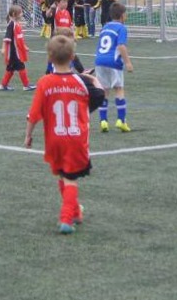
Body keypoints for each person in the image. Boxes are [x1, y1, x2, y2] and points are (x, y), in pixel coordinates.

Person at [24, 35, 106, 234]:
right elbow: (100, 95)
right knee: (70, 178)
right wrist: (94, 78)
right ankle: (66, 218)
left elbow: (34, 114)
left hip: (54, 139)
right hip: (76, 139)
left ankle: (76, 211)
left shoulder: (45, 82)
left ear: (49, 58)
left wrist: (28, 135)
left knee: (63, 174)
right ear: (73, 57)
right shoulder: (80, 82)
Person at [95, 3, 134, 133]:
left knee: (104, 92)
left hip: (100, 61)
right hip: (113, 62)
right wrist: (128, 62)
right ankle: (121, 120)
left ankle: (103, 121)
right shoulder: (121, 28)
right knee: (119, 89)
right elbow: (121, 46)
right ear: (122, 16)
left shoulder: (105, 26)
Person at [0, 5, 35, 92]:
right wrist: (3, 48)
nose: (22, 14)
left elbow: (19, 38)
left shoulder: (17, 24)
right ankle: (26, 85)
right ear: (14, 14)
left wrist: (24, 46)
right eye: (20, 13)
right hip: (13, 52)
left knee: (10, 69)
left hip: (17, 51)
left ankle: (3, 85)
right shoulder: (11, 24)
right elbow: (6, 38)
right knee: (21, 66)